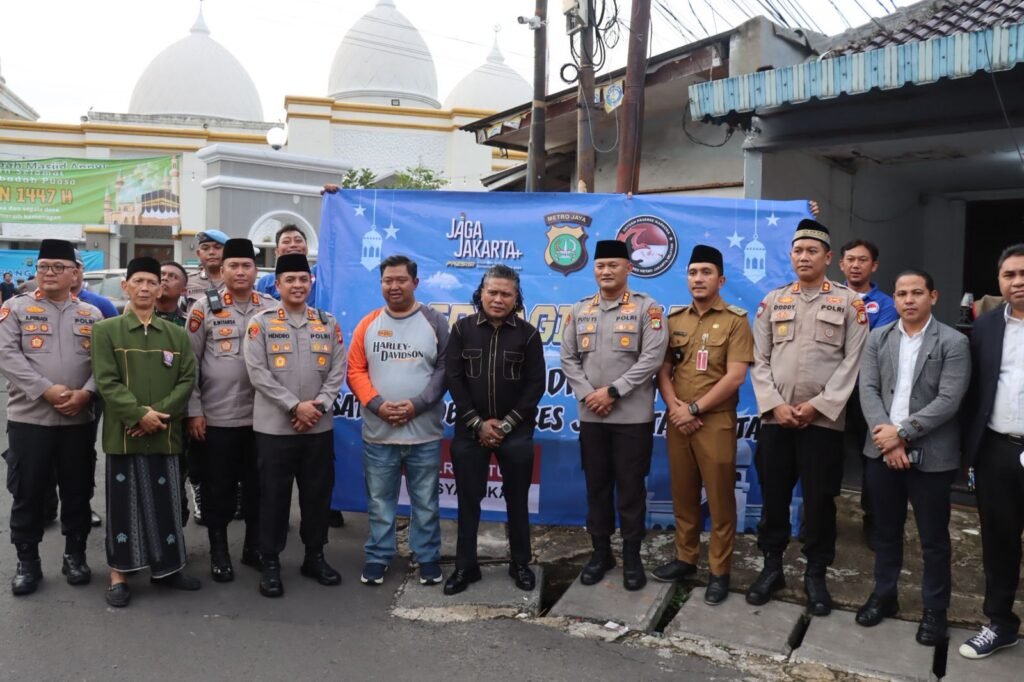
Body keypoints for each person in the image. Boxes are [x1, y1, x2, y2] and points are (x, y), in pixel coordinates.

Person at [747, 220, 869, 615]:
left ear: (828, 257)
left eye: (812, 251)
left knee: (820, 501)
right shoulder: (773, 301)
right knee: (774, 497)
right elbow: (759, 359)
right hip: (776, 421)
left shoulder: (849, 303)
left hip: (823, 423)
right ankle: (772, 568)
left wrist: (819, 405)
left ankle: (816, 573)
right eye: (798, 251)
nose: (804, 257)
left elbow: (854, 362)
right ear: (791, 255)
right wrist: (774, 404)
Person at [855, 269, 969, 646]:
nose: (908, 300)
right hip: (882, 452)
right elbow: (868, 390)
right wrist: (888, 440)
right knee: (885, 531)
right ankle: (884, 594)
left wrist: (901, 433)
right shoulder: (878, 337)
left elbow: (949, 400)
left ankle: (935, 609)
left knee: (933, 539)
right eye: (901, 293)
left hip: (932, 456)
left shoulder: (953, 341)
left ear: (932, 297)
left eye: (916, 293)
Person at [90, 257, 200, 607]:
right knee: (124, 506)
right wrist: (139, 415)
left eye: (152, 282)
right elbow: (106, 381)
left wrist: (157, 415)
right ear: (126, 286)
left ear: (160, 288)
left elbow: (187, 379)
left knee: (166, 503)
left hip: (164, 433)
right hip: (124, 434)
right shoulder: (106, 331)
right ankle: (119, 574)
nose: (145, 288)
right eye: (138, 281)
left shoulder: (176, 334)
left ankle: (167, 569)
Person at [561, 240, 669, 591]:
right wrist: (589, 395)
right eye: (600, 265)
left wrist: (612, 391)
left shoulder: (647, 309)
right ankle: (601, 553)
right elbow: (568, 358)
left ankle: (632, 557)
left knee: (631, 490)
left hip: (632, 419)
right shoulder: (579, 310)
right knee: (597, 487)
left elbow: (652, 359)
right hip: (592, 417)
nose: (606, 271)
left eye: (613, 265)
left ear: (629, 269)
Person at [0, 239, 103, 596]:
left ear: (75, 273)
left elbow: (104, 364)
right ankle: (27, 562)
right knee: (27, 491)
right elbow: (7, 356)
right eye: (44, 267)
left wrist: (87, 393)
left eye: (59, 267)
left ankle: (75, 556)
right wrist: (45, 389)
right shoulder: (15, 308)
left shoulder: (91, 315)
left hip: (78, 419)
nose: (50, 273)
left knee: (78, 490)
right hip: (31, 419)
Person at [653, 245, 754, 605]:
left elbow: (736, 376)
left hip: (715, 421)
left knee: (721, 499)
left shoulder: (736, 321)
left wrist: (694, 409)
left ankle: (719, 571)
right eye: (693, 272)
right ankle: (685, 558)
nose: (698, 279)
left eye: (706, 272)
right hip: (678, 419)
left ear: (720, 280)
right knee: (683, 494)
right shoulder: (674, 319)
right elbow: (664, 369)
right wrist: (675, 407)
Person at [244, 253, 346, 598]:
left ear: (311, 282)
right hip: (275, 428)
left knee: (317, 496)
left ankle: (314, 557)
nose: (298, 285)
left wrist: (318, 406)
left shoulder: (327, 323)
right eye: (290, 280)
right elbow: (257, 373)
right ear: (278, 284)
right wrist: (294, 406)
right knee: (272, 497)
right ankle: (270, 562)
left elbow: (338, 370)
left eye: (303, 279)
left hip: (318, 426)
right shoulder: (261, 323)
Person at [346, 255, 449, 586]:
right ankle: (378, 556)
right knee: (380, 503)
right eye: (387, 280)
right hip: (380, 434)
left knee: (426, 503)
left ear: (415, 283)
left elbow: (445, 369)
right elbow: (355, 370)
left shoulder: (435, 322)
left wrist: (417, 404)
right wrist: (377, 405)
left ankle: (427, 557)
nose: (394, 286)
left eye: (401, 280)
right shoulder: (368, 323)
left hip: (424, 434)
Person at [443, 265, 545, 596]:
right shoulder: (462, 330)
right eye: (492, 292)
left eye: (506, 294)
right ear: (481, 293)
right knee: (467, 500)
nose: (498, 299)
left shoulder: (528, 335)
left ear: (516, 298)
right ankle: (465, 566)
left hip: (515, 433)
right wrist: (477, 423)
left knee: (517, 500)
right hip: (470, 431)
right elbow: (454, 379)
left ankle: (520, 563)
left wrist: (506, 424)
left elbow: (536, 385)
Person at [187, 239, 275, 582]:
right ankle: (219, 551)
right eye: (233, 266)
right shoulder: (203, 308)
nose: (240, 272)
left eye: (246, 266)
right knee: (217, 488)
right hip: (217, 416)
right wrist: (194, 410)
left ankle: (253, 547)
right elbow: (190, 364)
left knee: (257, 486)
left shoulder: (270, 307)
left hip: (262, 418)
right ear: (221, 271)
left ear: (256, 270)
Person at [959, 243, 1024, 659]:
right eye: (1009, 275)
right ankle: (1000, 623)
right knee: (999, 543)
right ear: (999, 281)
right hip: (998, 450)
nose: (1018, 282)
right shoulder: (985, 327)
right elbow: (975, 391)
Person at [838, 239, 898, 546]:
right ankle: (816, 520)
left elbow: (872, 346)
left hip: (867, 394)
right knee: (827, 457)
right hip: (832, 393)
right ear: (841, 264)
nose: (855, 265)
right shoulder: (828, 297)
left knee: (872, 461)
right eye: (850, 259)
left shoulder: (886, 305)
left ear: (874, 265)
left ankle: (873, 523)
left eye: (862, 260)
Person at [255, 224, 318, 303]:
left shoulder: (320, 276)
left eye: (298, 241)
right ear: (277, 251)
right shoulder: (266, 283)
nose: (293, 245)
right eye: (286, 241)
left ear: (307, 248)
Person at [71, 251, 118, 319]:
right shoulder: (54, 304)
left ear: (82, 269)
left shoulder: (102, 304)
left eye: (76, 267)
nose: (72, 273)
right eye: (63, 268)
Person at [185, 229, 227, 303]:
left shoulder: (237, 280)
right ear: (198, 253)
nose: (211, 252)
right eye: (205, 248)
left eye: (217, 247)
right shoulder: (187, 282)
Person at [156, 261, 189, 327]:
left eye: (173, 277)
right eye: (161, 275)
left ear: (183, 291)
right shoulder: (139, 317)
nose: (164, 278)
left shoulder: (188, 322)